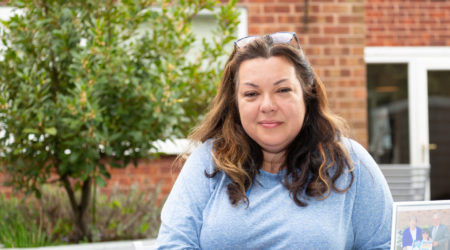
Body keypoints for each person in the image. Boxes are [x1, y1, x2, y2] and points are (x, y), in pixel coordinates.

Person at [156, 32, 393, 249]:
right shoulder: (208, 162)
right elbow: (174, 244)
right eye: (251, 94)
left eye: (282, 90)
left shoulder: (350, 163)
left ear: (306, 93)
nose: (267, 106)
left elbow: (385, 245)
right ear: (235, 102)